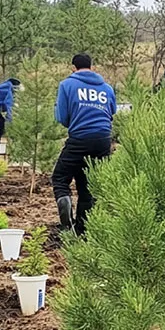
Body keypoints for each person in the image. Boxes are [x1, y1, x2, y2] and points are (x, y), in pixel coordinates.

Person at [52, 54, 116, 235]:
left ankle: (65, 208)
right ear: (91, 67)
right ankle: (82, 231)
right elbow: (112, 112)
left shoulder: (67, 85)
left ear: (73, 67)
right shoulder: (107, 88)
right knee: (88, 184)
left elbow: (62, 117)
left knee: (60, 178)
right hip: (104, 141)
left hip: (79, 137)